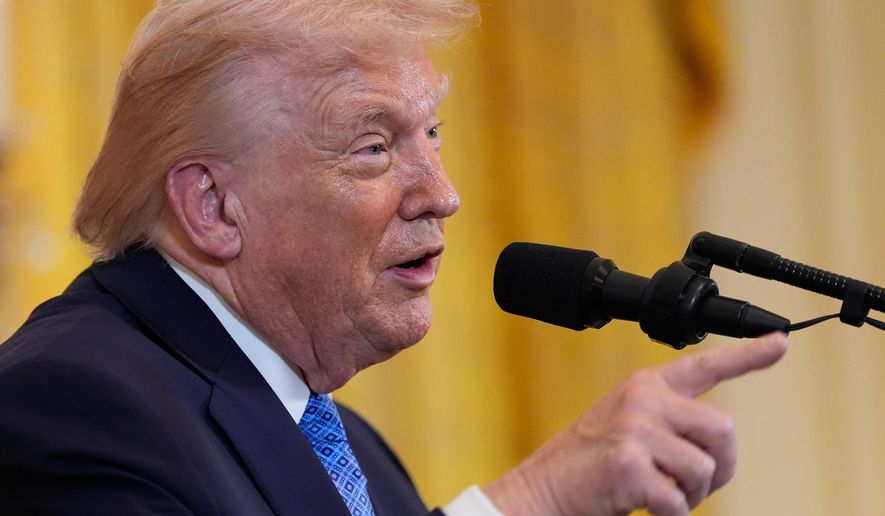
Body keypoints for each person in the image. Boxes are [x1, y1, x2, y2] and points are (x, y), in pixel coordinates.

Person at [0, 1, 788, 515]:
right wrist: (530, 497)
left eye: (433, 135)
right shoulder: (71, 401)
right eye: (374, 147)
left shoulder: (352, 450)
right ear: (212, 206)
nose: (441, 194)